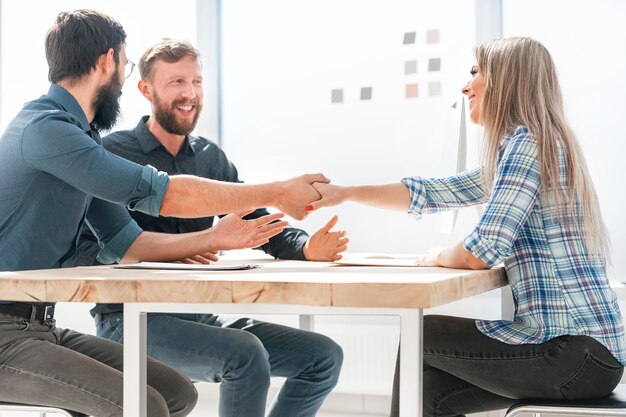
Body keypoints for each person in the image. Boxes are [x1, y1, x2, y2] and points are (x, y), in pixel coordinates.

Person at [0, 10, 327, 417]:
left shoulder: (81, 141)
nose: (121, 76)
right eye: (125, 64)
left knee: (176, 393)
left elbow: (128, 244)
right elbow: (164, 194)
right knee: (147, 405)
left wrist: (213, 238)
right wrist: (279, 191)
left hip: (41, 327)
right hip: (5, 334)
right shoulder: (46, 130)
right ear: (107, 62)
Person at [307, 37, 626, 417]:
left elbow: (481, 251)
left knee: (420, 338)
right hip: (590, 357)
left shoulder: (529, 144)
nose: (465, 85)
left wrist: (437, 258)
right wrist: (345, 193)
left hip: (572, 355)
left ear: (507, 79)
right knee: (427, 391)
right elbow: (435, 191)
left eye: (475, 72)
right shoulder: (529, 145)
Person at [67, 38, 348, 417]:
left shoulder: (210, 158)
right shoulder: (112, 155)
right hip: (129, 321)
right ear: (145, 89)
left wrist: (307, 248)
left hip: (197, 315)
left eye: (196, 82)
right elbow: (87, 250)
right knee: (245, 356)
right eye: (177, 82)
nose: (190, 94)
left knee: (323, 356)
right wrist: (181, 248)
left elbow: (260, 222)